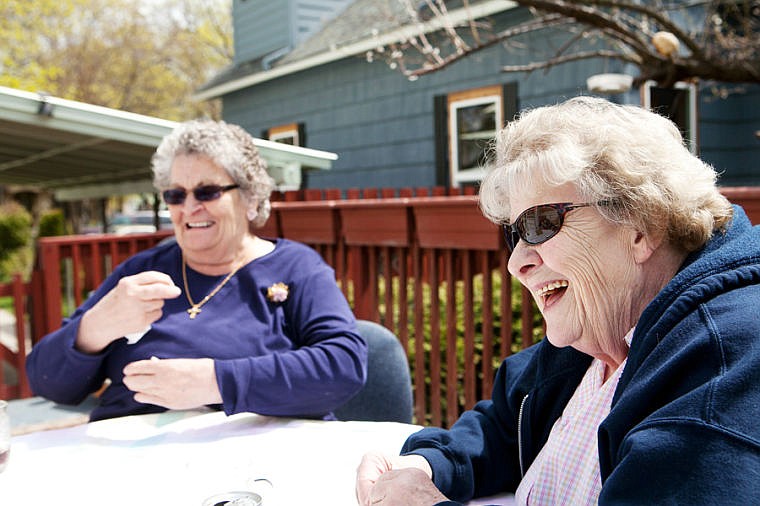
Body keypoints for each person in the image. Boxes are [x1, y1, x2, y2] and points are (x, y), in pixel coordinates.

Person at [356, 96, 760, 505]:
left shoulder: (722, 366)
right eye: (514, 234)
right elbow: (502, 426)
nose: (516, 263)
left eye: (541, 223)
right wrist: (426, 466)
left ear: (642, 225)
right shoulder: (599, 337)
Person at [26, 120, 367, 422]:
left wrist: (215, 382)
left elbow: (343, 365)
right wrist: (95, 328)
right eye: (175, 195)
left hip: (255, 463)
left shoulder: (295, 266)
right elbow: (47, 382)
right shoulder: (140, 273)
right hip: (136, 460)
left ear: (250, 198)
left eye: (208, 191)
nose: (189, 208)